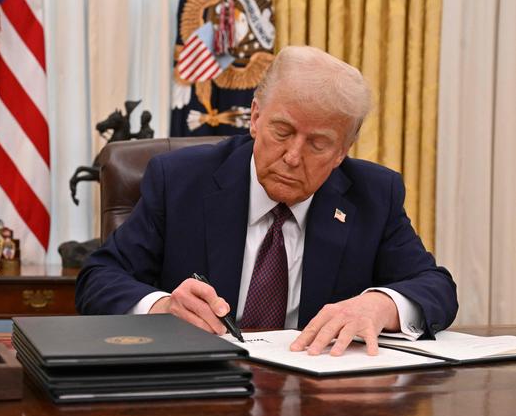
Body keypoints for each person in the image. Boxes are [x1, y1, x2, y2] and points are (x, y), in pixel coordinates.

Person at [76, 46, 457, 356]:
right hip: (200, 398)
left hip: (320, 407)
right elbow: (99, 279)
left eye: (318, 143)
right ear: (255, 117)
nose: (293, 156)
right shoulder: (179, 180)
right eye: (282, 131)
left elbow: (436, 287)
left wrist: (381, 305)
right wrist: (162, 308)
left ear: (342, 151)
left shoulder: (374, 194)